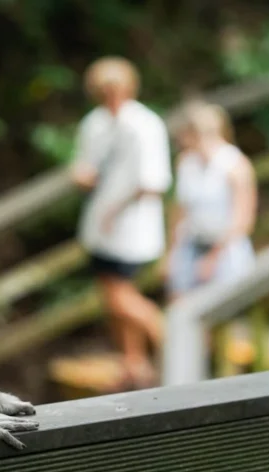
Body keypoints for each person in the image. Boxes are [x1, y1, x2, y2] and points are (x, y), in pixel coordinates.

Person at [69, 56, 172, 390]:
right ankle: (134, 362)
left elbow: (153, 182)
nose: (109, 96)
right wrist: (84, 178)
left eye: (114, 89)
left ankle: (173, 337)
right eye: (103, 90)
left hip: (132, 227)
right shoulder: (94, 124)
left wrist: (116, 210)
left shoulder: (145, 124)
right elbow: (84, 167)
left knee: (120, 297)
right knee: (112, 297)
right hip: (100, 226)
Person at [162, 99, 257, 303]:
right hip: (191, 245)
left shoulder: (235, 166)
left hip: (225, 251)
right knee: (179, 304)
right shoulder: (186, 162)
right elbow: (179, 210)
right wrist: (171, 254)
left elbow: (243, 220)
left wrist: (213, 258)